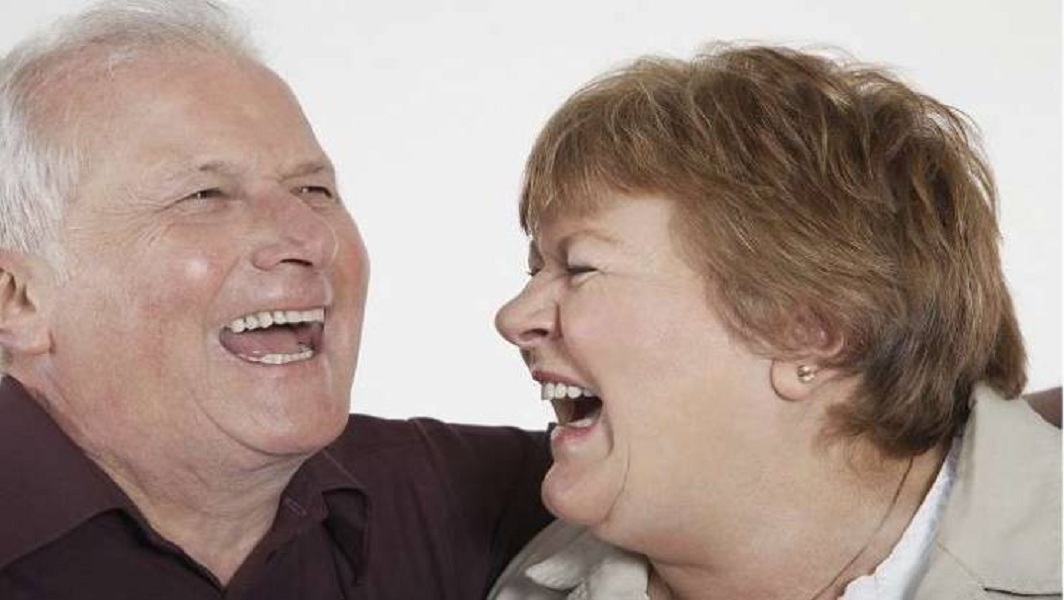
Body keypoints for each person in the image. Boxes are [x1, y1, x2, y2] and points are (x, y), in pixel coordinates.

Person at [0, 1, 551, 598]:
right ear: (18, 301)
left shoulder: (463, 500)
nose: (311, 238)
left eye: (314, 189)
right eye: (206, 196)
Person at [491, 45, 1061, 599]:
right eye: (536, 269)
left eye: (580, 268)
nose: (513, 317)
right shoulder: (523, 580)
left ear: (809, 334)